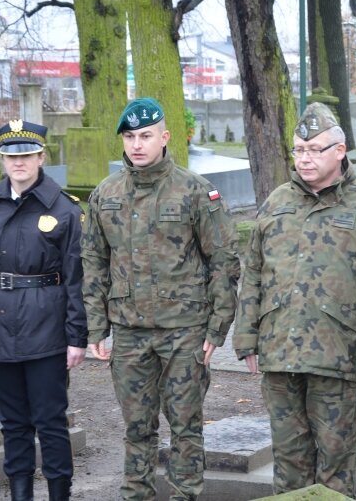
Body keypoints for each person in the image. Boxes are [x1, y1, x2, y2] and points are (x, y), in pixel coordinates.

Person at [232, 102, 356, 498]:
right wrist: (245, 338)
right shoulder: (277, 201)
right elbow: (254, 271)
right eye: (299, 150)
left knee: (336, 464)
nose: (304, 159)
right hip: (280, 351)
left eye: (314, 150)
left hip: (340, 355)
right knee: (289, 462)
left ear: (340, 151)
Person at [81, 98, 240, 500]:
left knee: (185, 426)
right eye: (130, 136)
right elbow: (94, 262)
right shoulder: (106, 194)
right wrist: (97, 326)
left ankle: (185, 494)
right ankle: (137, 494)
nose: (137, 144)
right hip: (130, 333)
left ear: (164, 137)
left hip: (184, 332)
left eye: (146, 135)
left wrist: (217, 327)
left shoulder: (195, 191)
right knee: (136, 427)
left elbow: (223, 260)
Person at [0, 120, 87, 501]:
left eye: (26, 155)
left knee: (49, 422)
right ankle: (20, 495)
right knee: (12, 422)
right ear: (1, 159)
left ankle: (58, 495)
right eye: (10, 156)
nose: (18, 163)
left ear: (40, 157)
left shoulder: (66, 211)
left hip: (46, 329)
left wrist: (76, 337)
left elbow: (76, 278)